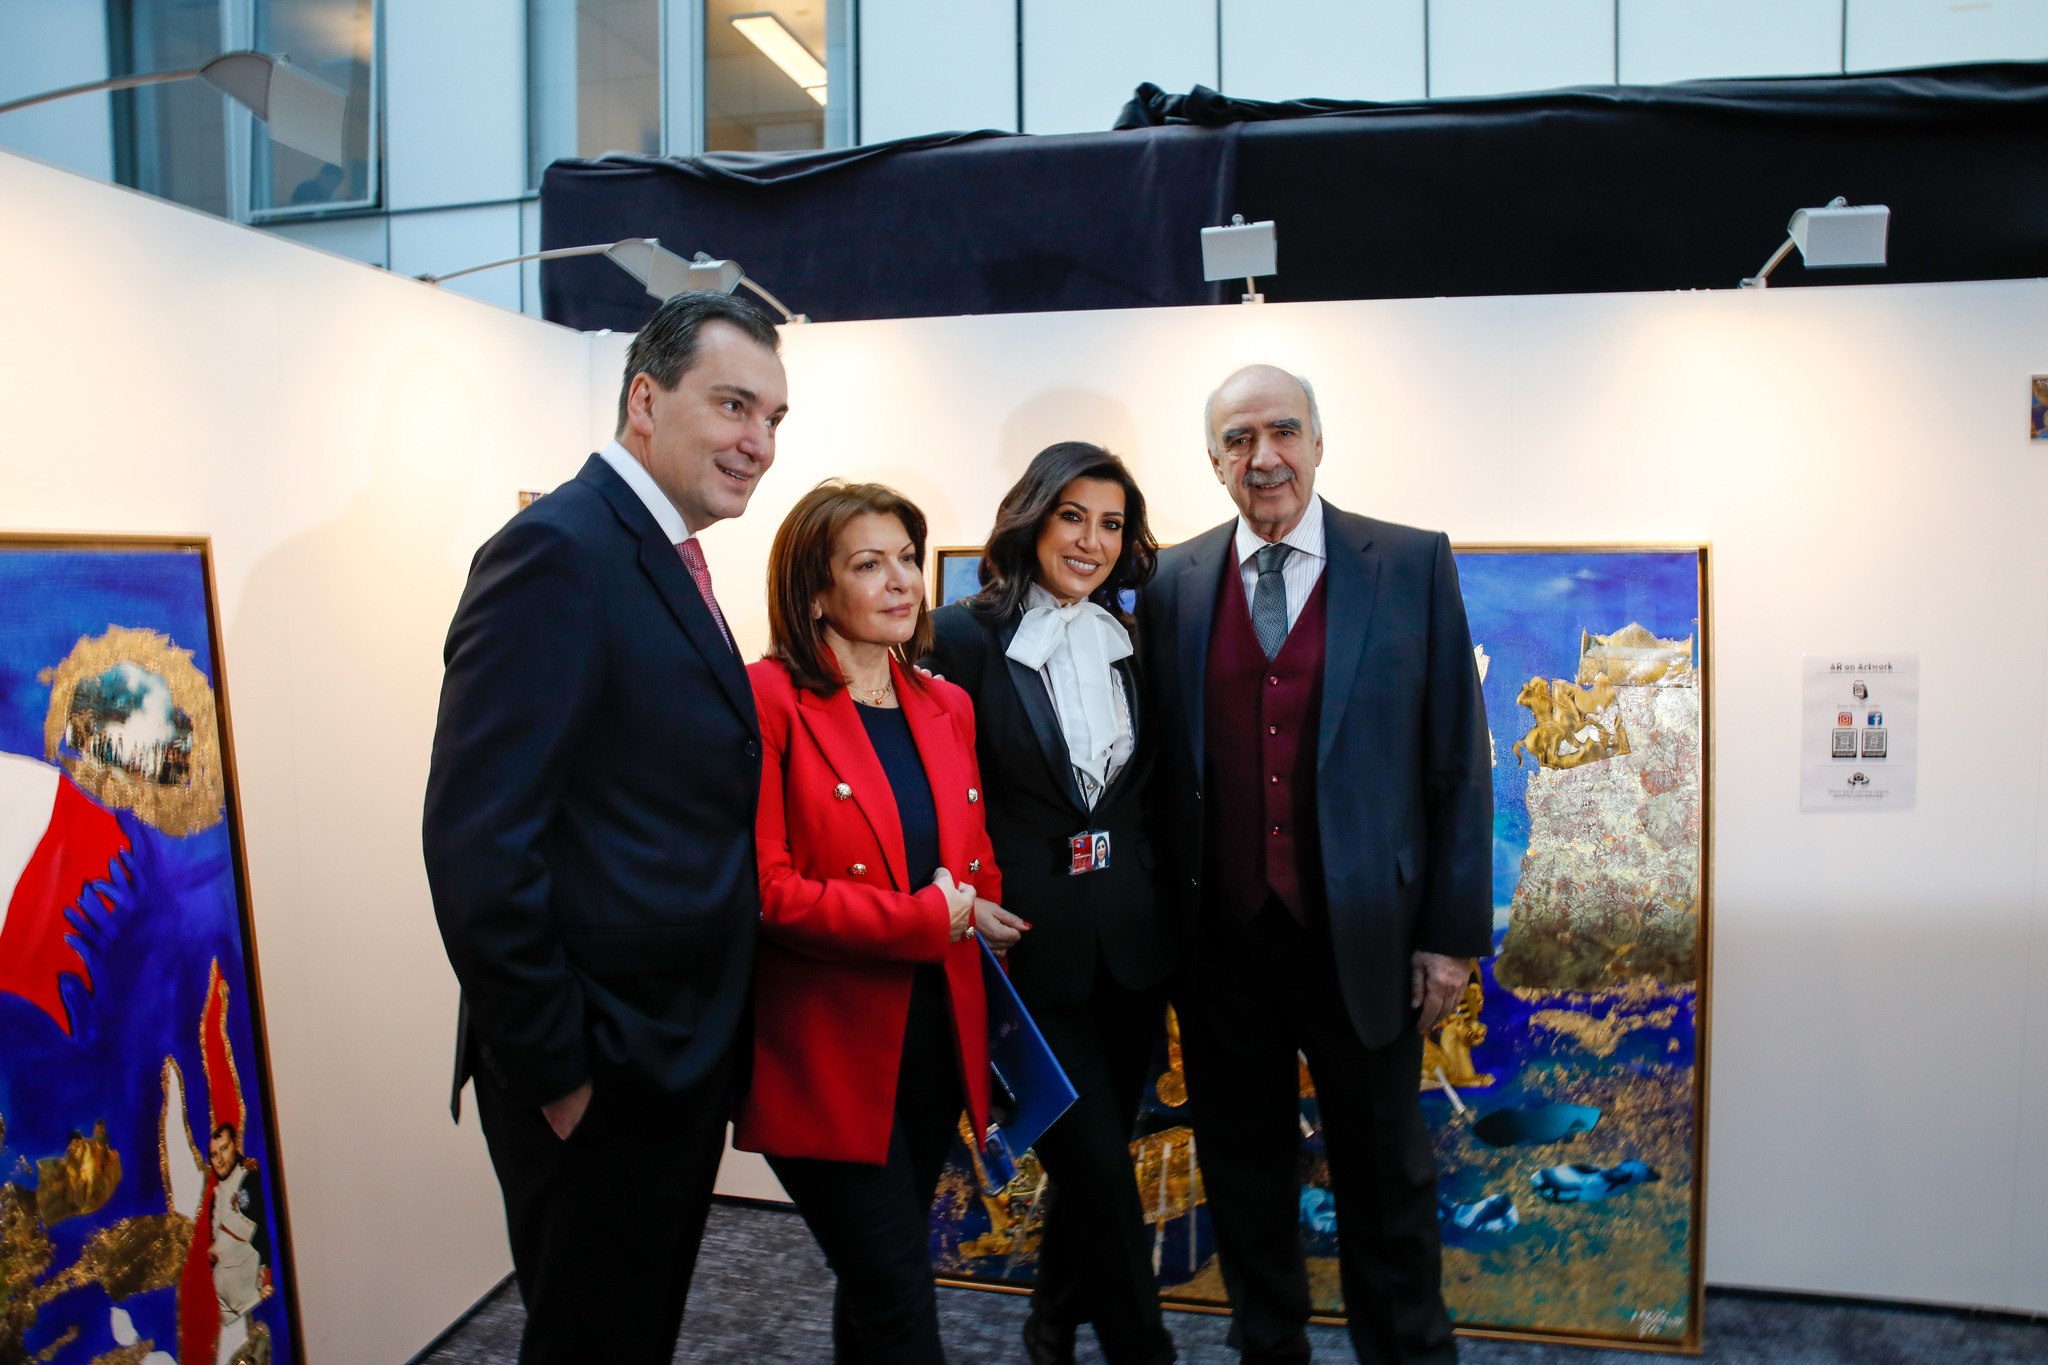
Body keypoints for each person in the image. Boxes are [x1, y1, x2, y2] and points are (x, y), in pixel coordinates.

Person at [422, 291, 788, 1364]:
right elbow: (478, 844)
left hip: (664, 1055)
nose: (758, 443)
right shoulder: (558, 552)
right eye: (732, 405)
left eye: (773, 418)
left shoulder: (656, 550)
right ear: (644, 400)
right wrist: (559, 1073)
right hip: (602, 1065)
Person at [1137, 365, 1493, 1365]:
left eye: (1283, 431)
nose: (1264, 457)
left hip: (1367, 942)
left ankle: (1408, 1353)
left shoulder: (1410, 562)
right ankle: (1268, 1350)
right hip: (1222, 950)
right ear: (1213, 461)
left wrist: (1448, 938)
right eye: (1238, 440)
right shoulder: (1170, 583)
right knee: (1244, 1178)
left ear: (1319, 442)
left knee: (1385, 1178)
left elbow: (1456, 760)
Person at [739, 480, 1027, 1365]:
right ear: (814, 592)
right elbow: (767, 891)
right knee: (899, 1293)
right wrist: (925, 918)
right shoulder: (767, 699)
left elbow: (966, 857)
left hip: (936, 1040)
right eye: (870, 564)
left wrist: (976, 905)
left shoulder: (946, 704)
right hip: (826, 1051)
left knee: (877, 1280)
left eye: (907, 557)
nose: (903, 580)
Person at [923, 442, 1178, 1365]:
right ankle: (1146, 1351)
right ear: (1032, 517)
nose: (1091, 541)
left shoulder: (1134, 640)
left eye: (1111, 523)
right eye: (1073, 516)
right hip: (1027, 946)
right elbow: (929, 789)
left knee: (1100, 1152)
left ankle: (1051, 1321)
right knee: (1100, 1170)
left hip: (1134, 942)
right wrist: (960, 894)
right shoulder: (958, 637)